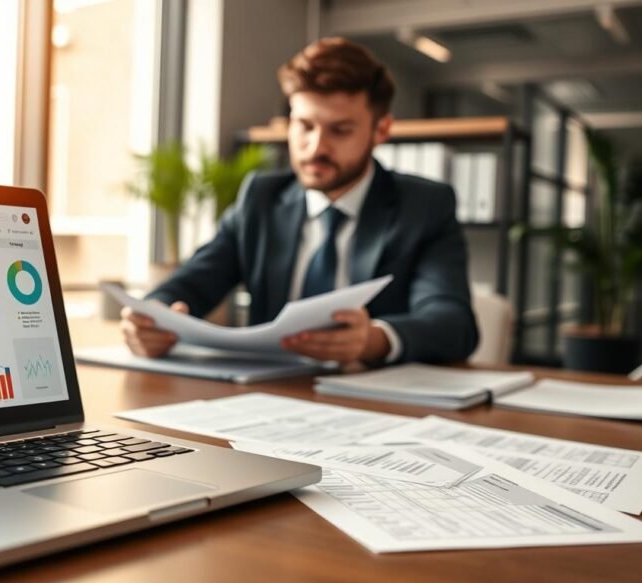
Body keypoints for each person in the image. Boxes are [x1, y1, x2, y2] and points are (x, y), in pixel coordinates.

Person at [121, 37, 479, 366]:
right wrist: (152, 318)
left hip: (372, 398)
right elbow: (190, 283)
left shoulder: (424, 206)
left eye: (340, 130)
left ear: (381, 130)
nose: (316, 146)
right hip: (266, 394)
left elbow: (453, 323)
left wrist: (372, 340)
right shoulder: (260, 198)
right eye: (305, 126)